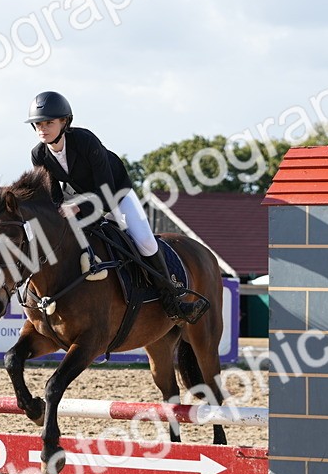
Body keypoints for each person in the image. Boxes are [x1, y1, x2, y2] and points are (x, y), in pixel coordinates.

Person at [25, 91, 206, 323]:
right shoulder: (38, 154)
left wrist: (78, 208)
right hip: (78, 198)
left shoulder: (85, 141)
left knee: (145, 241)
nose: (42, 128)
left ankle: (172, 299)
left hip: (116, 193)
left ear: (65, 122)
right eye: (38, 123)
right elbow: (54, 195)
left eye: (49, 122)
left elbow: (106, 191)